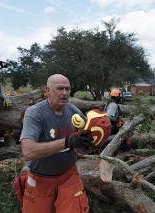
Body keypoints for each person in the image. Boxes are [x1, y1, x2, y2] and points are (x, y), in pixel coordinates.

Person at [20, 74, 93, 213]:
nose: (64, 93)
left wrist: (87, 141)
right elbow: (28, 152)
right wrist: (67, 142)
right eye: (59, 89)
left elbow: (85, 136)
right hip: (40, 179)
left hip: (69, 176)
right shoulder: (35, 113)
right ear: (47, 91)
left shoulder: (73, 111)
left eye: (67, 89)